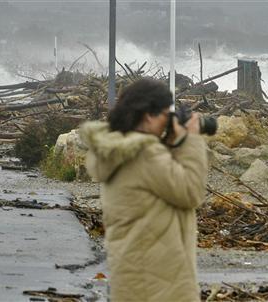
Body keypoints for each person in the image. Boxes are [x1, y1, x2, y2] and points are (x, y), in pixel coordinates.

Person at [79, 78, 208, 302]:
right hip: (160, 284)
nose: (168, 122)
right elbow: (191, 192)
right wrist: (192, 141)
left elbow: (166, 183)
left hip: (136, 276)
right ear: (149, 115)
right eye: (166, 115)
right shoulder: (145, 154)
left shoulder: (123, 150)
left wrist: (172, 143)